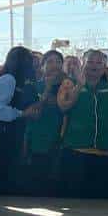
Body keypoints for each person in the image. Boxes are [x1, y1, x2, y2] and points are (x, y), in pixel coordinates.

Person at [56, 49, 108, 198]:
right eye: (90, 61)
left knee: (103, 201)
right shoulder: (69, 83)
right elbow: (63, 106)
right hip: (76, 151)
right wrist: (79, 85)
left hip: (106, 152)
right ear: (83, 64)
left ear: (105, 67)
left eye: (99, 63)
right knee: (76, 200)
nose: (94, 65)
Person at [0, 46, 38, 196]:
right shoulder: (8, 79)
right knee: (0, 166)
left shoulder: (17, 80)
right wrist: (22, 113)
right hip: (2, 133)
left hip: (9, 133)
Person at [22, 49, 68, 194]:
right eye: (50, 62)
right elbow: (33, 114)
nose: (55, 65)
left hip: (62, 143)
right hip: (37, 142)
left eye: (59, 61)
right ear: (42, 67)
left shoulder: (69, 85)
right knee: (38, 188)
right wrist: (47, 89)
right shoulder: (34, 86)